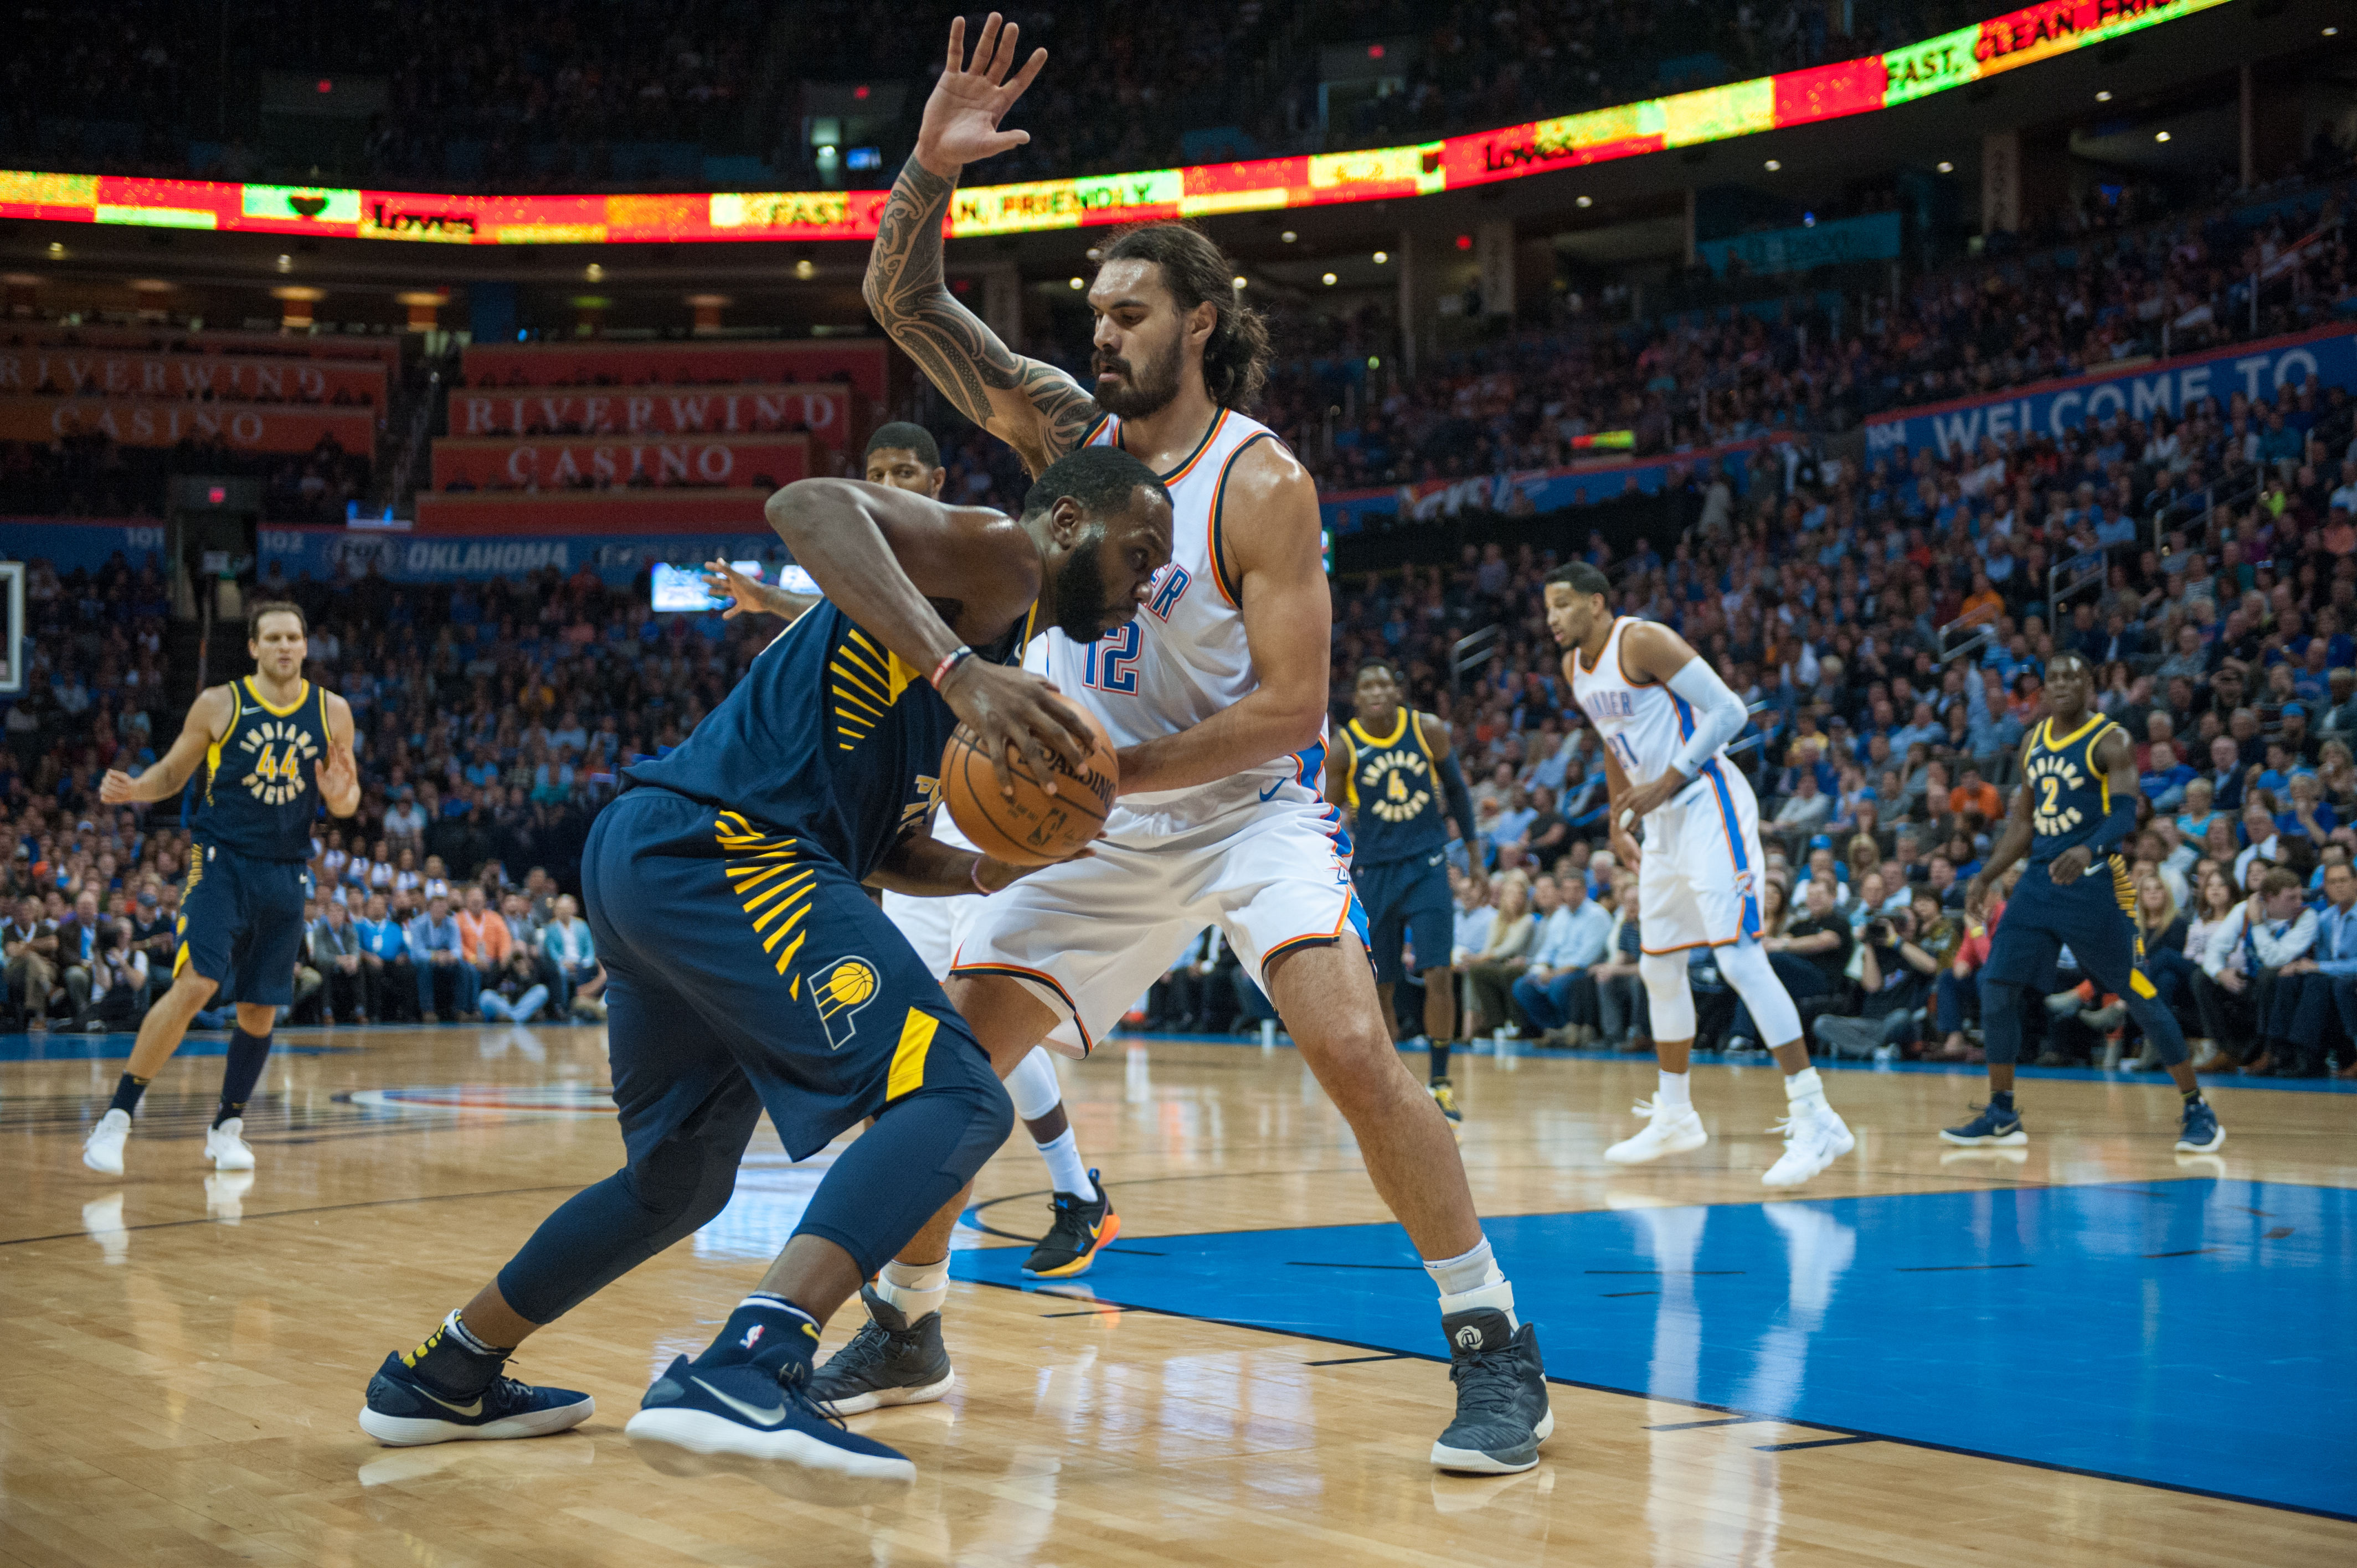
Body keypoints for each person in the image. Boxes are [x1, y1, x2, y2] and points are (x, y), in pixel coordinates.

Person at [841, 13, 1554, 1476]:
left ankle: (1493, 1342)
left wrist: (1112, 771)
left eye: (1131, 313)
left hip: (1241, 811)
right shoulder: (1058, 430)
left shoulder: (1262, 481)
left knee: (1356, 1050)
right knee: (947, 1085)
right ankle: (910, 1316)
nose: (1101, 332)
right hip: (1091, 825)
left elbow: (1295, 711)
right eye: (1094, 310)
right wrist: (924, 167)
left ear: (1199, 323)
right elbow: (897, 302)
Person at [358, 446, 1172, 1503]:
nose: (1147, 582)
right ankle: (750, 1362)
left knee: (679, 1183)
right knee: (961, 1090)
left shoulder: (989, 647)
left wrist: (992, 863)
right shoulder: (995, 557)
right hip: (725, 847)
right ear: (1067, 523)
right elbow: (803, 505)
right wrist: (959, 674)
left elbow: (880, 841)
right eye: (1141, 552)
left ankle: (445, 1371)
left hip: (664, 859)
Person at [706, 419, 1120, 1283]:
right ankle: (1073, 1196)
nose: (891, 478)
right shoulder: (890, 564)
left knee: (955, 1033)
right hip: (933, 807)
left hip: (992, 797)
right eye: (877, 467)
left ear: (935, 482)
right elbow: (858, 611)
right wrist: (771, 603)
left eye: (905, 469)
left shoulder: (983, 549)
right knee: (960, 1030)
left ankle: (1028, 1215)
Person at [1548, 561, 1855, 1187]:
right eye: (1547, 609)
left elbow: (1729, 711)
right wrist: (1616, 819)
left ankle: (1815, 1115)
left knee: (1740, 959)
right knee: (1659, 965)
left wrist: (1667, 778)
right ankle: (1675, 1114)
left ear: (1597, 604)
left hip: (1705, 801)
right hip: (1658, 823)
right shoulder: (1573, 667)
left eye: (1561, 605)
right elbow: (1613, 740)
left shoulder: (1641, 640)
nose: (1551, 618)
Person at [84, 602, 359, 1177]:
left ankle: (227, 1127)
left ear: (306, 647)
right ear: (254, 647)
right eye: (273, 637)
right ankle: (115, 1120)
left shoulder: (332, 712)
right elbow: (173, 774)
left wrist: (338, 796)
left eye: (294, 637)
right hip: (221, 863)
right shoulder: (220, 703)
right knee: (198, 982)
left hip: (286, 871)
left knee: (260, 1010)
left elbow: (347, 799)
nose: (285, 646)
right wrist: (134, 788)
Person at [1943, 653, 2222, 1152]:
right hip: (2037, 883)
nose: (2065, 684)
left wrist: (2087, 846)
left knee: (2135, 989)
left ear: (2091, 685)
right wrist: (1985, 875)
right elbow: (2023, 824)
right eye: (2056, 677)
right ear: (2044, 689)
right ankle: (2002, 1113)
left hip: (2096, 879)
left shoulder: (2109, 738)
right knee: (1996, 986)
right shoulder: (2033, 740)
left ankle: (2198, 1107)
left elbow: (2124, 814)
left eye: (2075, 675)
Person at [1327, 659, 1482, 1120]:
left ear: (1397, 690)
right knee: (1384, 986)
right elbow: (1329, 817)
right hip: (1375, 871)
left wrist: (1475, 859)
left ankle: (1440, 1083)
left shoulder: (1427, 730)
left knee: (1438, 973)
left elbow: (1457, 792)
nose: (1375, 691)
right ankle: (1395, 1086)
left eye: (1383, 683)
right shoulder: (1344, 748)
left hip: (1428, 864)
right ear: (1356, 699)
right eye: (1366, 685)